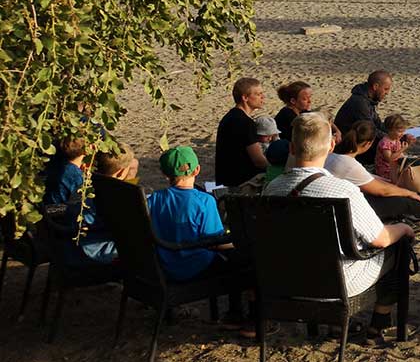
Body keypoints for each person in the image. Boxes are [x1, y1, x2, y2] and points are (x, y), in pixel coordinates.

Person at [264, 112, 415, 339]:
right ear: (331, 146)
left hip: (286, 281)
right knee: (398, 245)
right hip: (336, 283)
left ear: (292, 149)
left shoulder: (272, 188)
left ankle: (337, 325)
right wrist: (403, 229)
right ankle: (380, 323)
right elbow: (379, 239)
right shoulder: (341, 190)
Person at [147, 147, 234, 281]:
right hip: (195, 266)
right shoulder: (205, 201)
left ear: (165, 174)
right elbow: (214, 242)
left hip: (164, 266)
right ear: (197, 170)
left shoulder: (154, 199)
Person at [327, 120, 420, 221]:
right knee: (403, 201)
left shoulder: (333, 156)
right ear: (368, 144)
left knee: (401, 191)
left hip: (340, 204)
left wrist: (395, 186)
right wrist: (408, 193)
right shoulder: (350, 165)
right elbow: (383, 191)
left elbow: (367, 177)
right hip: (351, 209)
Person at [62, 142, 139, 265]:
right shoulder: (112, 195)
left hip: (70, 247)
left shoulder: (82, 188)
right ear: (120, 172)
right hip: (95, 251)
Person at [215, 77, 268, 187]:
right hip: (242, 182)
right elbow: (258, 160)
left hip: (226, 179)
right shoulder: (245, 123)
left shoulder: (229, 117)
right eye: (258, 94)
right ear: (245, 98)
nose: (263, 97)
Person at [335, 71, 393, 163]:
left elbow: (377, 123)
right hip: (347, 146)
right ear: (375, 87)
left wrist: (394, 133)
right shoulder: (360, 103)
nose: (387, 93)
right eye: (385, 89)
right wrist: (391, 138)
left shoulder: (367, 100)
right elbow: (371, 130)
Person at [43, 136, 86, 207]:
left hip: (46, 207)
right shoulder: (76, 176)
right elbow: (76, 205)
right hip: (58, 213)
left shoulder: (59, 164)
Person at [374, 114, 412, 182]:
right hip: (385, 169)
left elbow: (400, 155)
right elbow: (389, 159)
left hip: (395, 166)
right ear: (390, 130)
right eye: (400, 132)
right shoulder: (385, 143)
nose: (402, 134)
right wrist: (401, 150)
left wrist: (406, 160)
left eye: (403, 131)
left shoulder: (396, 139)